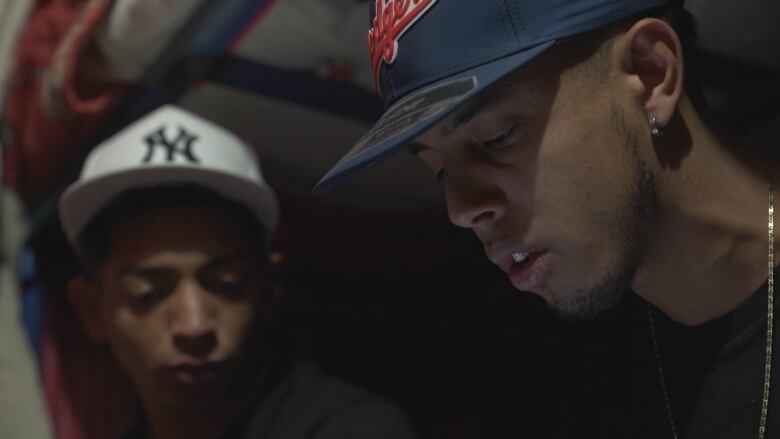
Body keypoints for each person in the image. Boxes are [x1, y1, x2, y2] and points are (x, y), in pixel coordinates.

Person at [316, 0, 780, 438]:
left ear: (651, 73)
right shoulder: (585, 380)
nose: (460, 209)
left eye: (498, 137)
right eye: (438, 170)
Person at [59, 105, 417, 439]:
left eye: (228, 285)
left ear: (270, 285)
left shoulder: (351, 428)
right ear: (91, 309)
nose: (194, 326)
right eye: (146, 294)